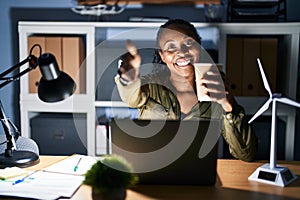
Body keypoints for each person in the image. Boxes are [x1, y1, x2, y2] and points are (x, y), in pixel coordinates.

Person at [115, 19, 257, 162]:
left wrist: (228, 107)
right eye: (170, 47)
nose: (181, 52)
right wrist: (129, 79)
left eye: (189, 43)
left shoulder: (215, 90)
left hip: (197, 175)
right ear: (162, 56)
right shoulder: (150, 86)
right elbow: (131, 97)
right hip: (153, 171)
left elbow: (246, 154)